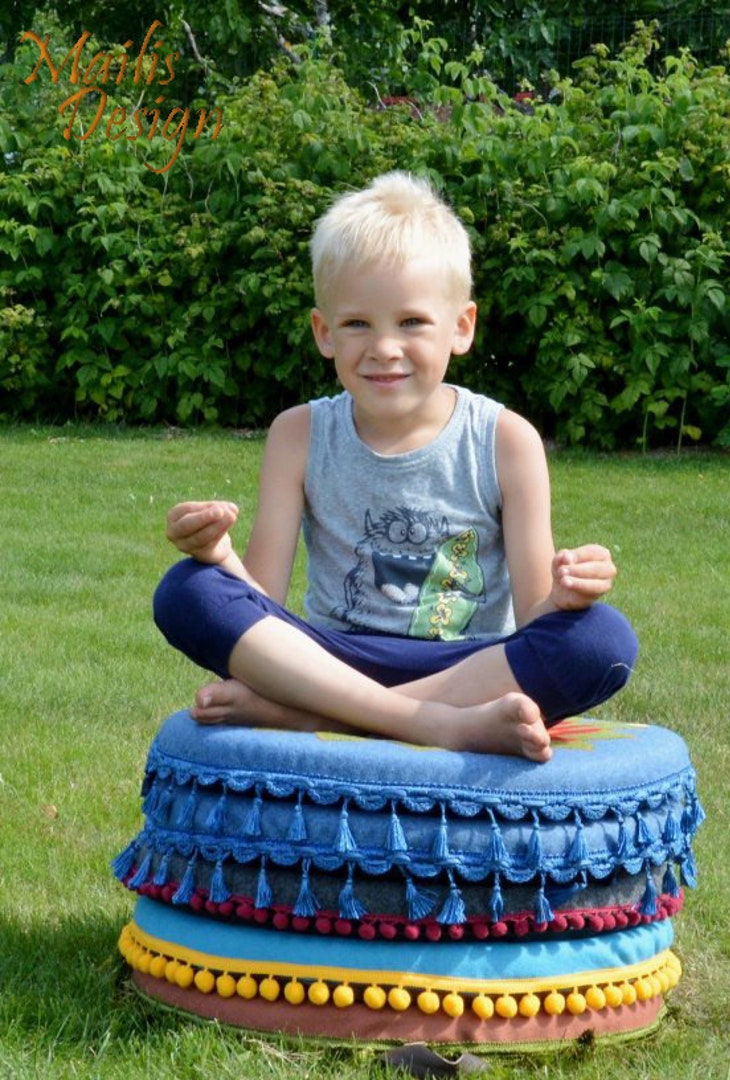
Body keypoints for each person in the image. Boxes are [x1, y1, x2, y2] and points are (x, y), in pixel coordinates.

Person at [154, 172, 637, 762]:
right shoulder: (299, 434)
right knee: (186, 591)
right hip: (327, 656)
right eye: (358, 323)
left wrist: (567, 593)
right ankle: (432, 724)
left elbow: (537, 618)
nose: (384, 347)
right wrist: (216, 556)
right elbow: (264, 608)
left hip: (467, 664)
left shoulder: (506, 440)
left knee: (601, 639)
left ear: (461, 327)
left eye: (411, 322)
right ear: (323, 332)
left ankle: (316, 716)